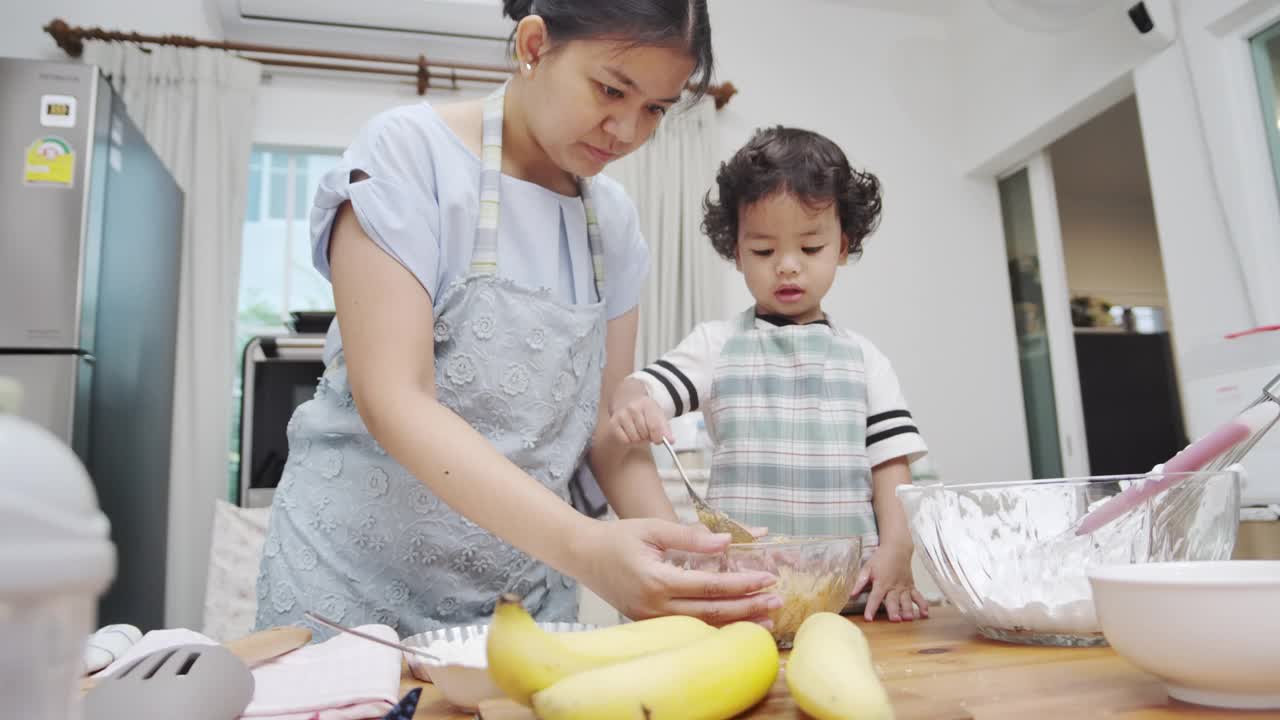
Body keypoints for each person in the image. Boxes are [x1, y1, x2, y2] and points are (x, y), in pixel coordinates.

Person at [255, 0, 781, 639]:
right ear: (534, 47)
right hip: (348, 590)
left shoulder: (611, 224)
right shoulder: (408, 155)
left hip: (518, 604)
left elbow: (608, 434)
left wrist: (691, 561)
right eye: (611, 89)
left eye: (655, 109)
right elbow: (394, 400)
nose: (626, 130)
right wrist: (587, 548)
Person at [608, 126, 931, 621]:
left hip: (852, 597)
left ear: (843, 247)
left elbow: (891, 468)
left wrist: (898, 552)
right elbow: (639, 387)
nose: (787, 266)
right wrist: (634, 400)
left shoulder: (866, 360)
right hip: (744, 597)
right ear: (736, 253)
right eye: (762, 251)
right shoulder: (716, 346)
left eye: (810, 248)